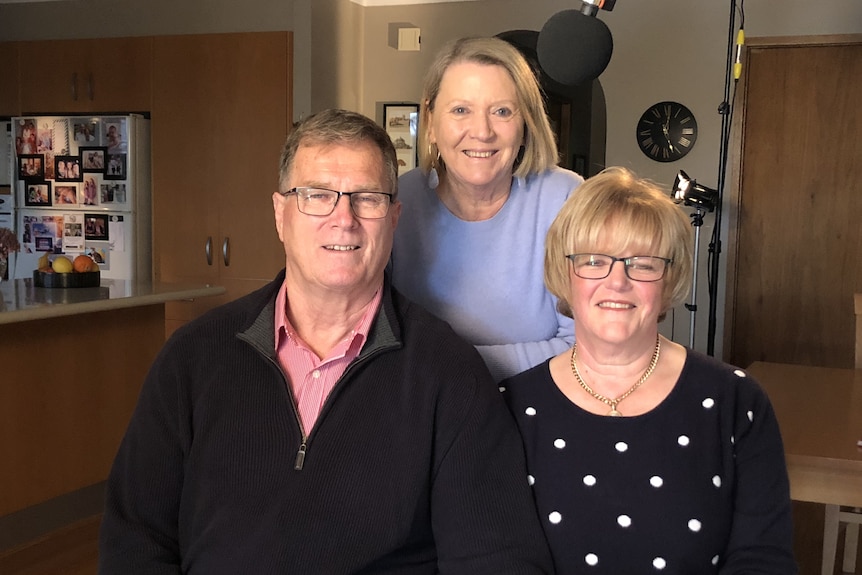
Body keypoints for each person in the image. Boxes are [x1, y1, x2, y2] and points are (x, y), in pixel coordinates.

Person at [98, 108, 554, 575]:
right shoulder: (193, 356)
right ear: (280, 214)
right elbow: (135, 536)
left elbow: (496, 556)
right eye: (317, 195)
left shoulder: (449, 373)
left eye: (367, 198)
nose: (344, 219)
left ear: (394, 218)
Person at [502, 166, 797, 574]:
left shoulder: (736, 402)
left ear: (669, 278)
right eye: (593, 260)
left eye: (642, 263)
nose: (617, 281)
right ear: (564, 273)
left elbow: (762, 560)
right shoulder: (508, 409)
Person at [391, 36, 583, 383]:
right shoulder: (396, 201)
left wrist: (444, 365)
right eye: (461, 110)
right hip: (424, 416)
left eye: (502, 111)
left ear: (526, 125)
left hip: (541, 409)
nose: (481, 131)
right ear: (431, 123)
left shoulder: (567, 199)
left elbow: (584, 345)